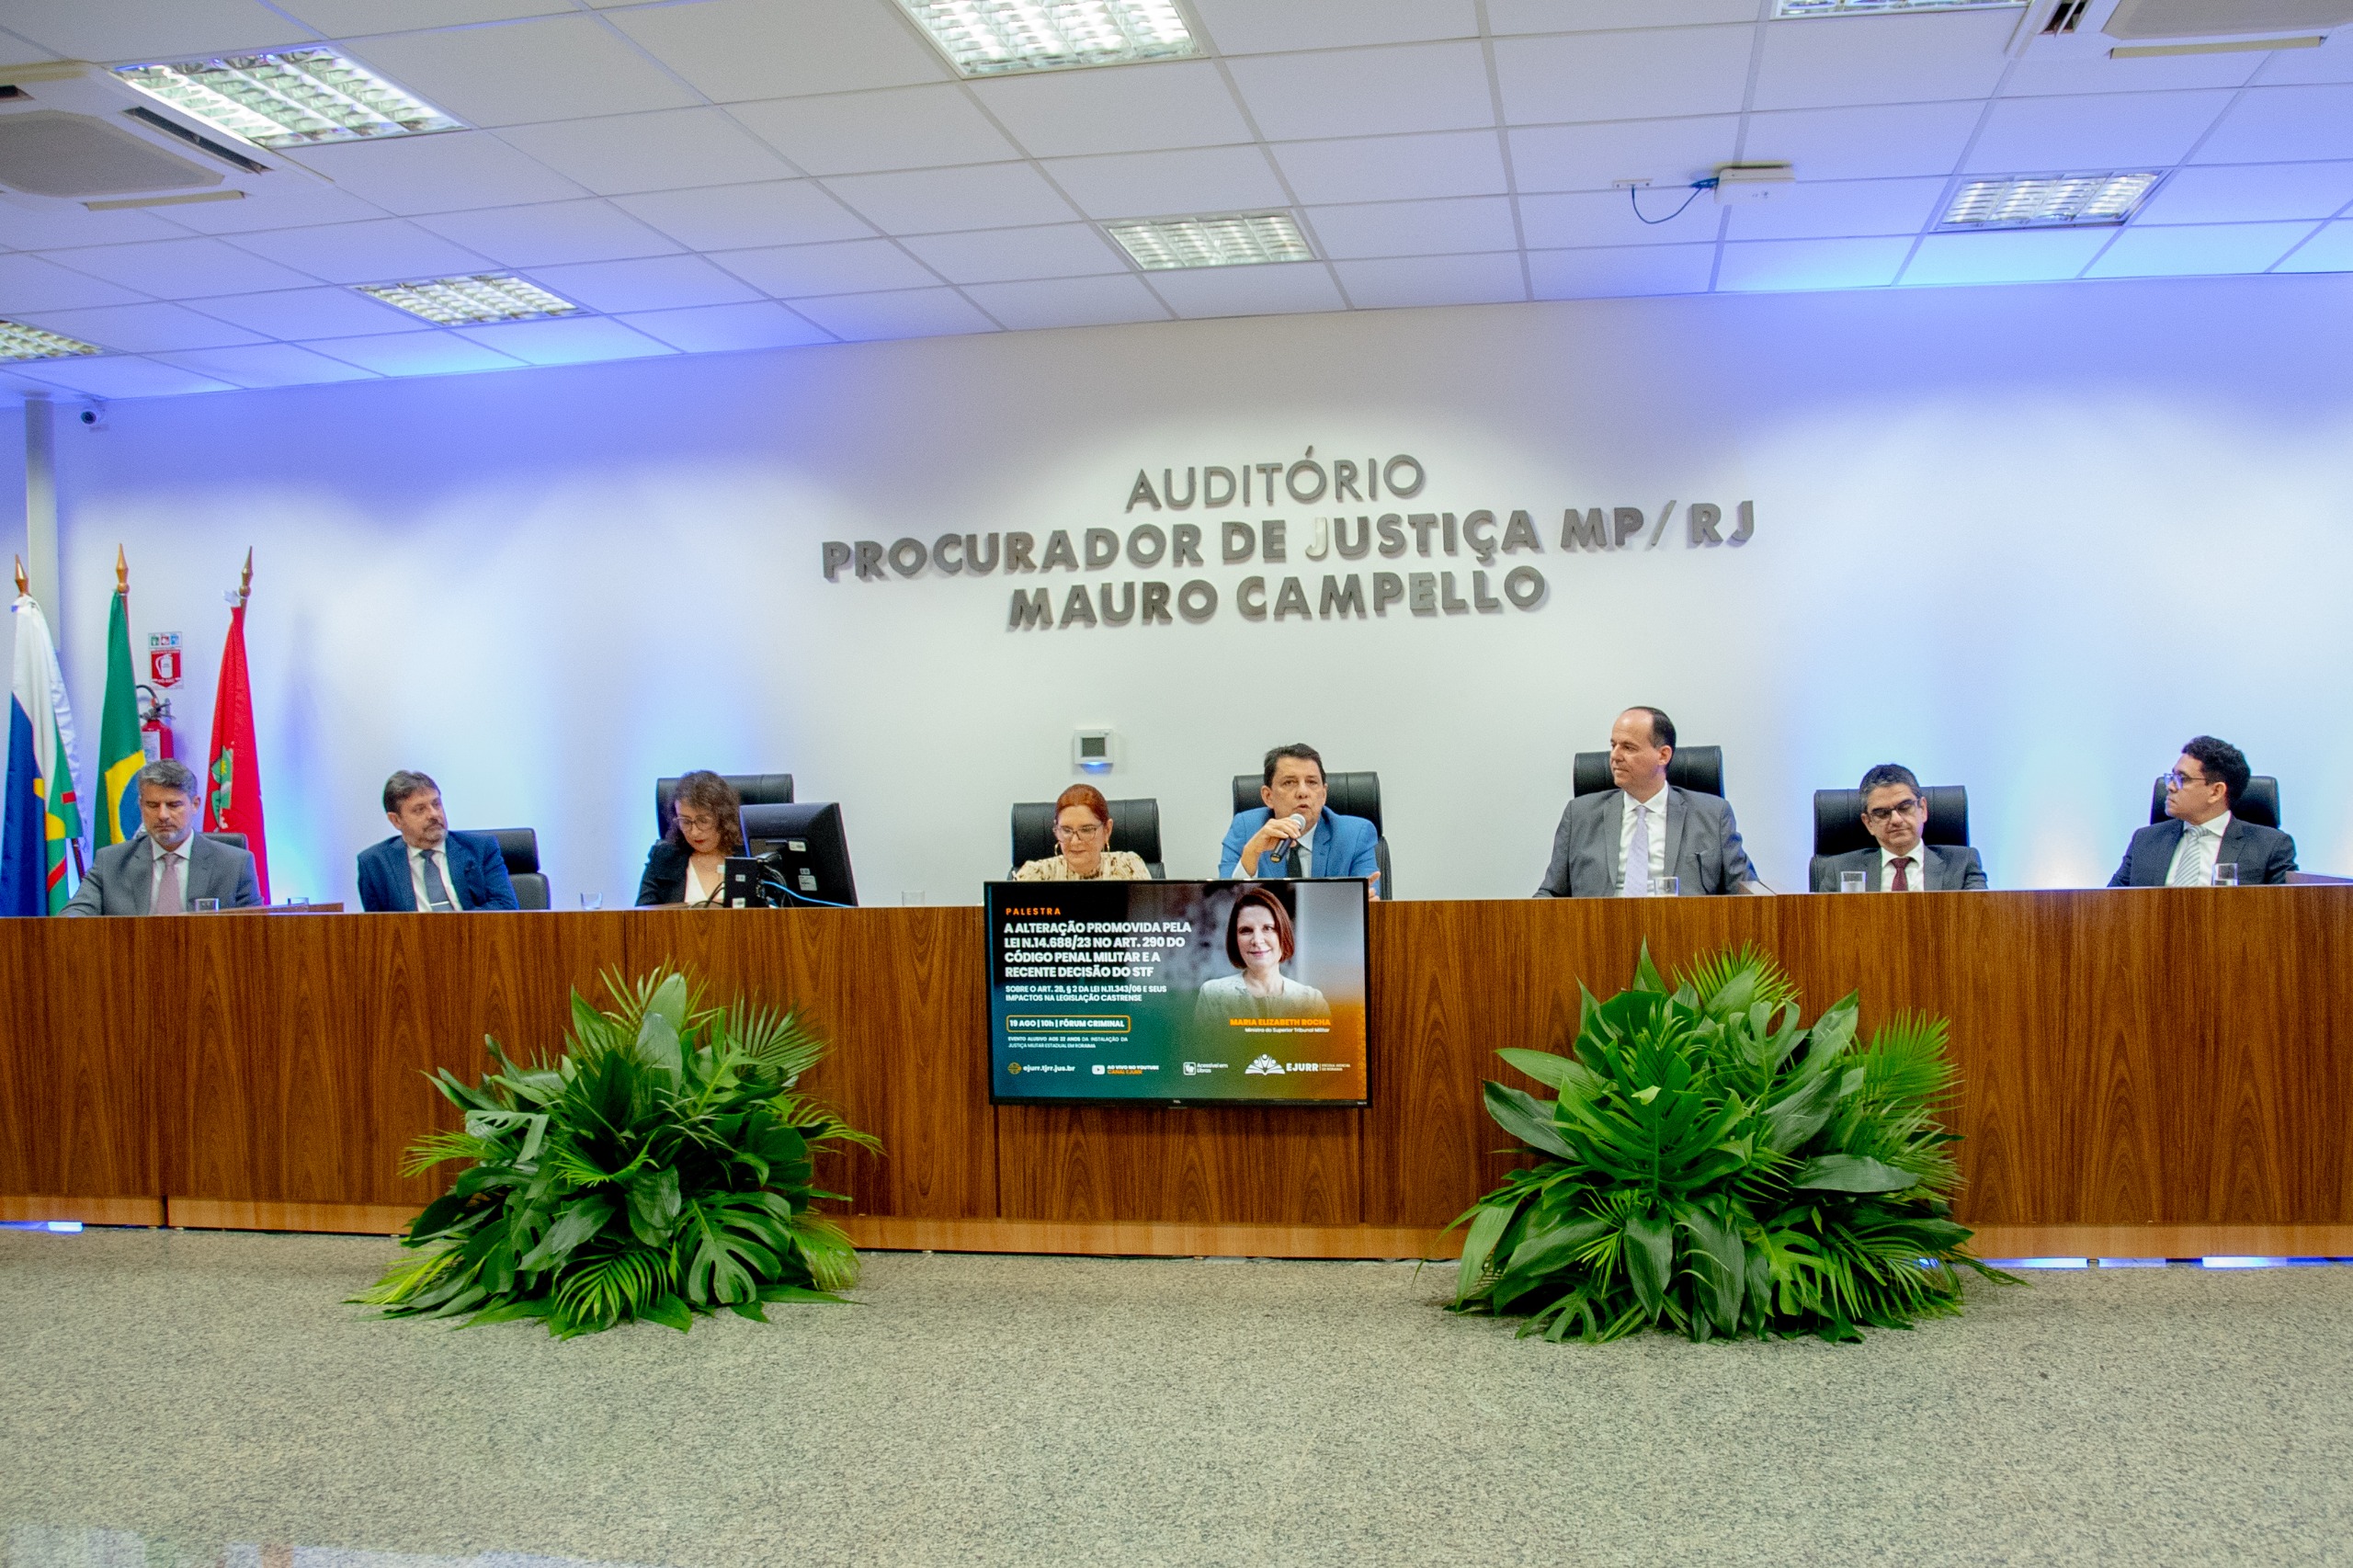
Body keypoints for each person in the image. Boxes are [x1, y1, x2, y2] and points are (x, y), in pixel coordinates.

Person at [1535, 706, 1755, 897]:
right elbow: (1551, 893)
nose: (1615, 756)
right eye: (1613, 745)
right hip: (1599, 935)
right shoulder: (1580, 815)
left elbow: (1748, 892)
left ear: (1663, 755)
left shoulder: (1713, 815)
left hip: (1686, 936)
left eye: (1628, 747)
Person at [63, 758, 260, 915]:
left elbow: (253, 932)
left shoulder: (234, 864)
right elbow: (75, 915)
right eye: (152, 805)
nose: (163, 815)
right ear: (141, 805)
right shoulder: (111, 862)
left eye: (174, 805)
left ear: (195, 804)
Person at [2109, 735, 2295, 887]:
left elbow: (2286, 914)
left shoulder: (2270, 847)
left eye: (2183, 778)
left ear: (2216, 791)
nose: (2171, 787)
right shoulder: (2145, 841)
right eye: (2172, 777)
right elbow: (2109, 906)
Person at [1217, 743, 1381, 893]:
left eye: (1312, 782)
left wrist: (1365, 903)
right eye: (1289, 783)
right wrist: (1251, 854)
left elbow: (1370, 902)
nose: (1303, 792)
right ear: (1268, 796)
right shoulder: (1246, 829)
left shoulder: (1355, 834)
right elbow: (1227, 902)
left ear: (1323, 795)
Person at [356, 770, 518, 913]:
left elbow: (505, 907)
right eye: (420, 809)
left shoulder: (481, 848)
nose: (433, 814)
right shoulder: (374, 864)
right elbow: (377, 930)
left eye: (436, 804)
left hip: (474, 941)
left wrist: (450, 929)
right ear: (396, 820)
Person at [1809, 764, 1988, 892]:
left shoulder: (1963, 864)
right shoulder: (1838, 869)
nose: (1896, 820)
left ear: (1923, 809)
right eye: (1882, 813)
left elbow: (1981, 925)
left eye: (1904, 807)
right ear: (1868, 823)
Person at [1192, 885, 1331, 1023]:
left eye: (1268, 928)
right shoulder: (1214, 997)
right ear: (1235, 939)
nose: (1257, 940)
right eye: (1246, 930)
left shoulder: (1312, 1002)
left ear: (1283, 934)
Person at [638, 770, 745, 906]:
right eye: (685, 821)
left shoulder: (752, 856)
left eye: (703, 821)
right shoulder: (663, 859)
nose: (694, 832)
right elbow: (641, 918)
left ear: (723, 818)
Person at [1015, 783, 1150, 881]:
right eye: (1066, 830)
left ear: (1107, 830)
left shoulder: (1128, 867)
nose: (1075, 841)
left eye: (1086, 830)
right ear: (1056, 831)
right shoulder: (1034, 875)